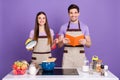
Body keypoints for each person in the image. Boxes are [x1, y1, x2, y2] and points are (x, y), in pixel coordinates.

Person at [58, 4, 92, 68]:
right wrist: (62, 42)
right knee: (66, 77)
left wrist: (85, 42)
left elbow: (89, 44)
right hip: (67, 58)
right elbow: (59, 45)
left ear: (79, 13)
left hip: (80, 58)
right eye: (71, 13)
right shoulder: (63, 27)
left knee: (81, 77)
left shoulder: (84, 27)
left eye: (75, 12)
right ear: (68, 14)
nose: (73, 15)